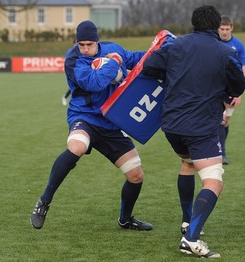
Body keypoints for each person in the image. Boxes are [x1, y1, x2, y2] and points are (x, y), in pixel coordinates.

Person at [142, 5, 245, 258]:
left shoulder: (175, 46)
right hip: (201, 126)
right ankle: (191, 238)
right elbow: (239, 85)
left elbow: (149, 67)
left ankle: (187, 220)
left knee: (187, 164)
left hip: (171, 126)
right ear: (215, 26)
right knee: (214, 181)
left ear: (194, 23)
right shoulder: (225, 51)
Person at [30, 20, 153, 231]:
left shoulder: (113, 49)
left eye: (89, 45)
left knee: (136, 175)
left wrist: (160, 50)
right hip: (84, 117)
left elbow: (135, 59)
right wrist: (114, 64)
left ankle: (126, 219)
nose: (85, 49)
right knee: (77, 147)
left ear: (98, 41)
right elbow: (93, 83)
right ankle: (44, 202)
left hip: (110, 122)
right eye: (81, 44)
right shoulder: (73, 59)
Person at [218, 15, 245, 164]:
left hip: (231, 89)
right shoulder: (214, 42)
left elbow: (242, 68)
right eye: (221, 29)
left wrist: (239, 92)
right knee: (219, 121)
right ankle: (221, 152)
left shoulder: (238, 45)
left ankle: (220, 149)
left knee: (225, 121)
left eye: (226, 29)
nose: (224, 32)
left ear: (232, 28)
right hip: (215, 87)